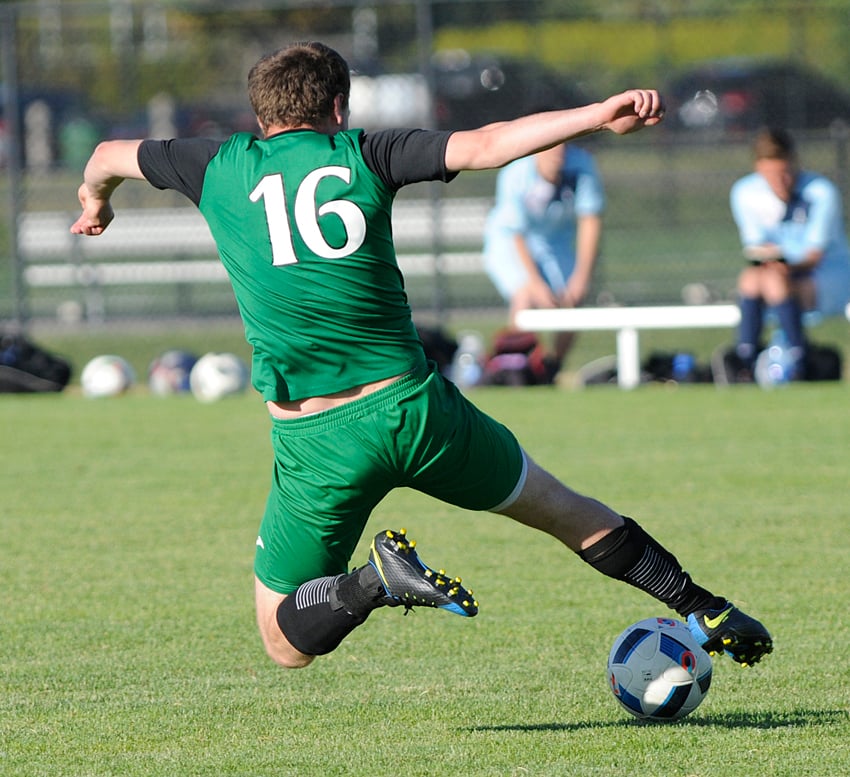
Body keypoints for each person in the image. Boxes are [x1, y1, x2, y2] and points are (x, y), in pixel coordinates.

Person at [71, 41, 772, 671]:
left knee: (284, 641)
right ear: (339, 106)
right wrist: (598, 114)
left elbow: (105, 157)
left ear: (259, 117)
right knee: (567, 510)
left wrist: (95, 202)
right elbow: (489, 144)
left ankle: (372, 581)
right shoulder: (366, 153)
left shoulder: (216, 165)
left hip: (316, 441)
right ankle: (702, 604)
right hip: (415, 411)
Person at [729, 127, 850, 379]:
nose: (780, 182)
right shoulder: (745, 192)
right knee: (750, 279)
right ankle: (746, 361)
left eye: (785, 173)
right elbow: (756, 248)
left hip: (827, 276)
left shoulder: (820, 192)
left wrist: (781, 265)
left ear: (795, 163)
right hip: (779, 277)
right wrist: (774, 262)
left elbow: (814, 255)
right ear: (758, 169)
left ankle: (799, 360)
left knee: (772, 280)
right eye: (771, 175)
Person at [483, 140, 604, 369]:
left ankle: (551, 368)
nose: (558, 152)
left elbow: (590, 219)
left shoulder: (582, 165)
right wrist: (536, 284)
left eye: (563, 144)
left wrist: (581, 279)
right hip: (509, 241)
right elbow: (516, 234)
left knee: (571, 300)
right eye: (551, 145)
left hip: (554, 242)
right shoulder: (515, 172)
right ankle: (518, 366)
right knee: (525, 297)